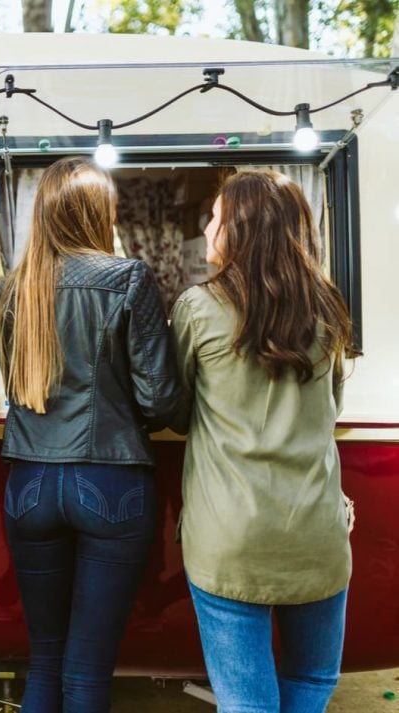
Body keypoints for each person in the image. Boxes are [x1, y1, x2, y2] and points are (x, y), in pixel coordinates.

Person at [0, 157, 180, 712]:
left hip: (28, 484)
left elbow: (15, 383)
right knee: (88, 667)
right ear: (100, 212)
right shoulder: (127, 278)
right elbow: (160, 399)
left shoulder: (13, 287)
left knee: (45, 659)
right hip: (110, 482)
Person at [170, 170, 358, 712]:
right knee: (313, 678)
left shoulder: (199, 307)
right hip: (317, 531)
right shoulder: (329, 309)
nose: (207, 229)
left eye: (216, 218)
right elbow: (332, 410)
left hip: (229, 536)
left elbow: (176, 409)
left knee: (246, 703)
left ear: (241, 231)